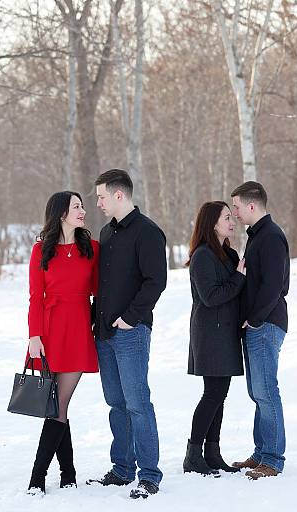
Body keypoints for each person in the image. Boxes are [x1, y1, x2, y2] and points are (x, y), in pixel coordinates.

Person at [87, 169, 167, 500]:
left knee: (137, 404)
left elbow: (156, 281)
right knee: (116, 403)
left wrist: (129, 318)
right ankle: (122, 468)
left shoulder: (148, 232)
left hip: (131, 332)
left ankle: (149, 475)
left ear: (119, 195)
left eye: (102, 197)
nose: (99, 203)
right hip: (104, 333)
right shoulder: (106, 233)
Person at [26, 191, 99, 495]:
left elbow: (100, 291)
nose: (83, 211)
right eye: (76, 207)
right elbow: (35, 297)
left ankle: (37, 477)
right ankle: (67, 473)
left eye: (82, 206)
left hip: (79, 329)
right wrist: (34, 336)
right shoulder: (41, 250)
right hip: (49, 332)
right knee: (55, 406)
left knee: (59, 405)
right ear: (60, 214)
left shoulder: (92, 248)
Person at [230, 181, 290, 479]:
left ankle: (274, 459)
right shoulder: (258, 236)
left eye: (238, 207)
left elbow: (276, 285)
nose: (236, 214)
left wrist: (255, 319)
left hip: (265, 325)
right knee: (258, 393)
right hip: (258, 325)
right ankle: (261, 452)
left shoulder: (270, 236)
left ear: (251, 205)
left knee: (266, 392)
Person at [183, 201, 246, 477]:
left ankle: (212, 452)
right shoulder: (202, 256)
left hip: (226, 331)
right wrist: (240, 278)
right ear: (212, 223)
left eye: (232, 217)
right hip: (210, 333)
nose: (232, 221)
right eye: (226, 217)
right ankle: (193, 455)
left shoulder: (227, 253)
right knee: (213, 394)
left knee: (220, 395)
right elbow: (211, 297)